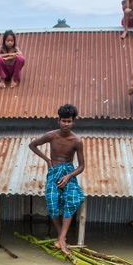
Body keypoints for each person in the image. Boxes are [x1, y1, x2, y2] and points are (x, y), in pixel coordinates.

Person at [27, 104, 85, 254]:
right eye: (64, 121)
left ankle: (62, 239)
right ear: (58, 120)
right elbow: (32, 145)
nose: (66, 124)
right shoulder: (51, 135)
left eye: (69, 121)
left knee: (71, 199)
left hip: (68, 171)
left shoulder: (76, 141)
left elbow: (82, 166)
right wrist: (47, 160)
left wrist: (69, 176)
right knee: (52, 204)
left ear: (73, 122)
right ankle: (62, 238)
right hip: (53, 172)